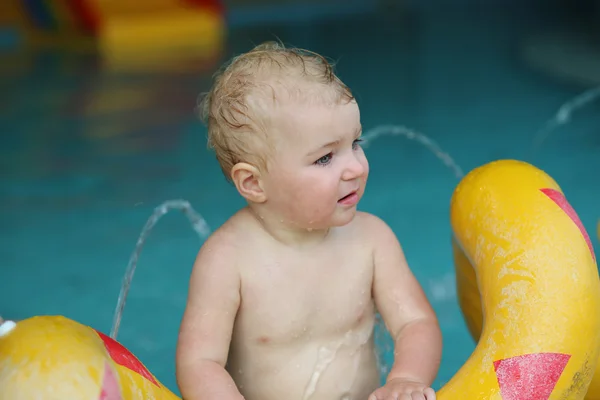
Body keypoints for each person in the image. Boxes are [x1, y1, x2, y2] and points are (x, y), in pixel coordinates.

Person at [175, 41, 442, 400]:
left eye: (355, 143)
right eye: (324, 158)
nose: (355, 167)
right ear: (254, 183)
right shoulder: (227, 260)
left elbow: (416, 322)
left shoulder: (372, 239)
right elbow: (200, 362)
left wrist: (404, 378)